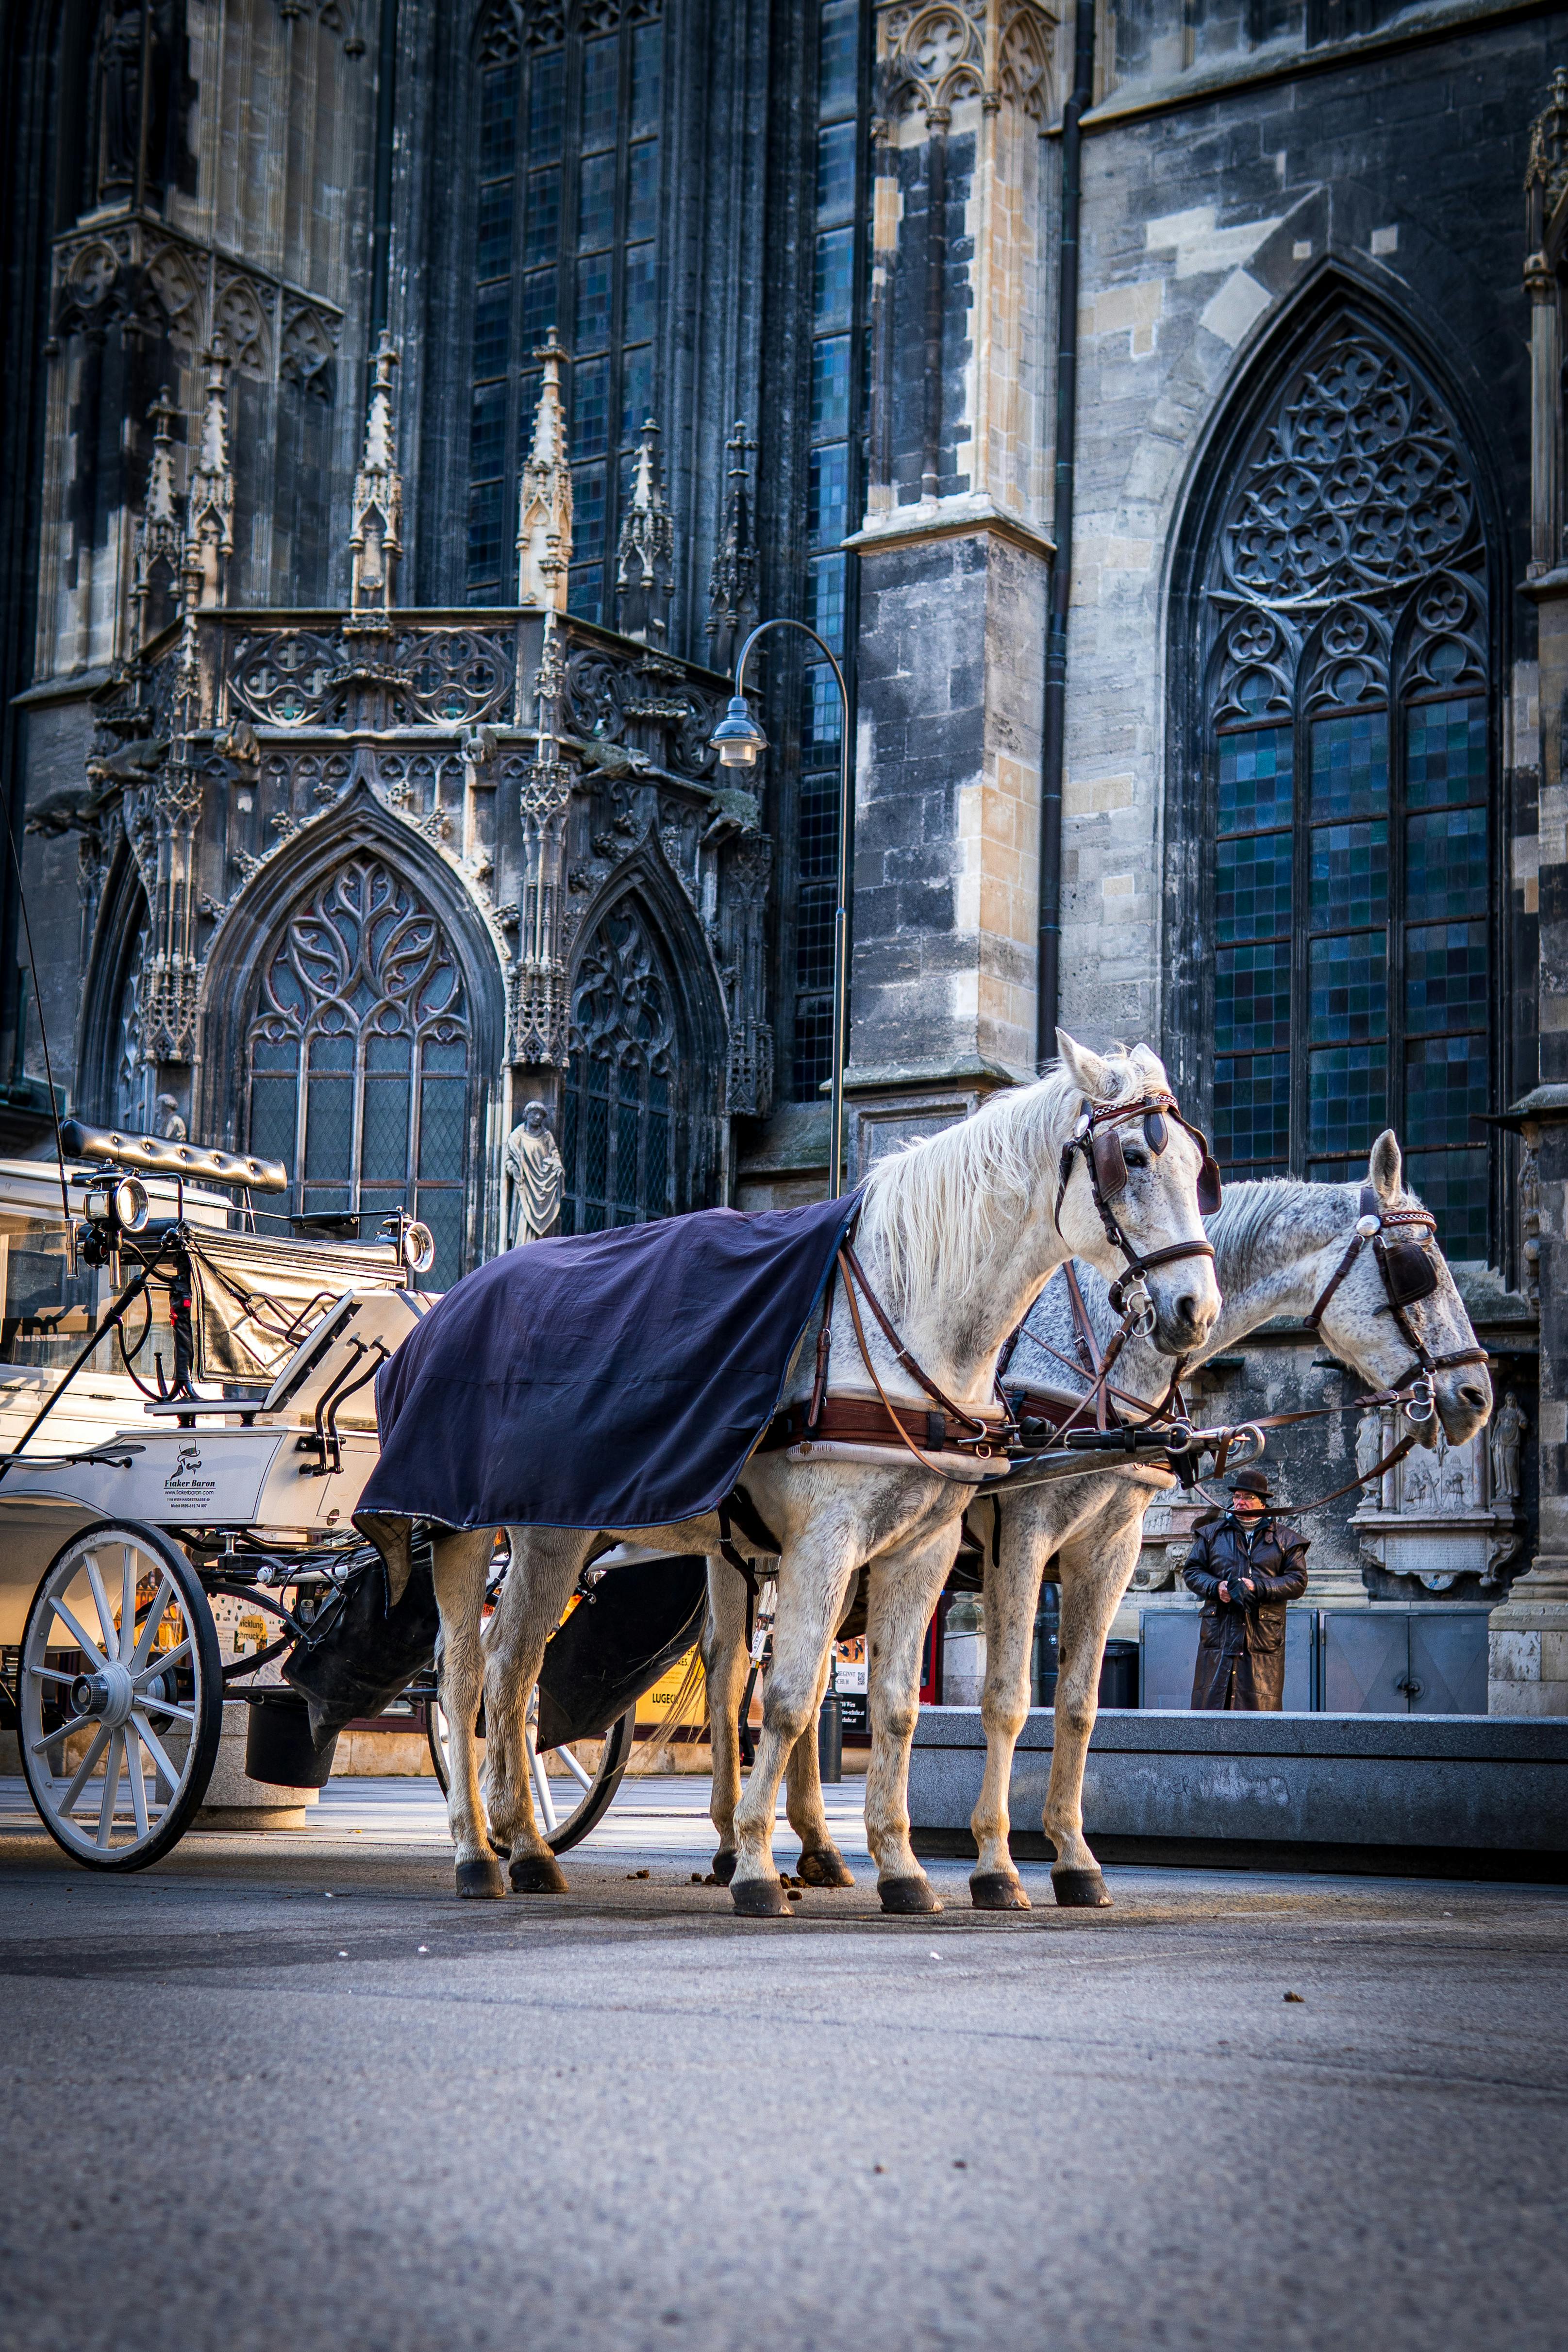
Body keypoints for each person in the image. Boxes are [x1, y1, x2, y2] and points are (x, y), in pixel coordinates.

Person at [1183, 1467, 1308, 1711]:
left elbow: (1298, 1581)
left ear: (1263, 1502)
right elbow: (1192, 1571)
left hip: (1261, 1636)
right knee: (1213, 1706)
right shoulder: (1211, 1535)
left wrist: (1258, 1587)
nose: (1240, 1503)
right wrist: (1216, 1586)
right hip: (1219, 1632)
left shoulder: (1287, 1541)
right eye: (1237, 1497)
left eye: (1248, 1498)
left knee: (1259, 1711)